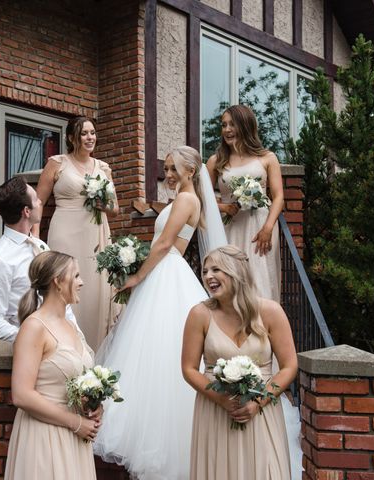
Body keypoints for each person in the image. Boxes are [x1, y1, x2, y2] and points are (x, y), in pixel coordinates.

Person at [94, 146, 225, 480]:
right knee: (149, 354)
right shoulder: (181, 198)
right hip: (165, 274)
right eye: (165, 168)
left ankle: (162, 448)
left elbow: (165, 245)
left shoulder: (186, 200)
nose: (166, 175)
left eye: (172, 169)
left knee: (159, 354)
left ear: (191, 172)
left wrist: (137, 274)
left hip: (167, 276)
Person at [182, 245, 298, 480]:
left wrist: (258, 401)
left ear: (236, 271)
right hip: (215, 410)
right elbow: (189, 369)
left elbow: (289, 366)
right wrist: (222, 400)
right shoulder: (199, 314)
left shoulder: (270, 312)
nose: (208, 277)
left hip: (262, 410)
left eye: (216, 269)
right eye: (205, 271)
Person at [4, 251, 100, 480]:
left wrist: (95, 405)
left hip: (75, 439)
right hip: (44, 437)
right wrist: (75, 423)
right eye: (76, 276)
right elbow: (21, 395)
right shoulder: (34, 327)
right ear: (58, 281)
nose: (81, 282)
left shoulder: (72, 327)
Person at [35, 116, 119, 351]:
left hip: (96, 236)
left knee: (93, 294)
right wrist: (33, 239)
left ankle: (93, 352)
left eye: (92, 133)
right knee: (63, 286)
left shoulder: (103, 168)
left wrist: (102, 203)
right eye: (84, 133)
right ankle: (62, 348)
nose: (90, 138)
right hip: (66, 234)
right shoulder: (57, 163)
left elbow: (115, 208)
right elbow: (38, 202)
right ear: (72, 138)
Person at [0, 176, 76, 341]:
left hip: (62, 339)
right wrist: (33, 339)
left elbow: (59, 296)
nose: (40, 202)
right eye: (36, 199)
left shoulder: (41, 247)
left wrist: (76, 334)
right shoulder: (0, 261)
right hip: (32, 350)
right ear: (26, 211)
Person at [206, 104, 284, 302]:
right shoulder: (216, 161)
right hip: (229, 228)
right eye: (224, 125)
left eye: (232, 124)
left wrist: (268, 228)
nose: (227, 130)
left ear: (245, 125)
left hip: (259, 227)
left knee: (260, 280)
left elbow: (278, 197)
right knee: (231, 280)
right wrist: (224, 207)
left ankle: (263, 329)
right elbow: (201, 197)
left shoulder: (267, 158)